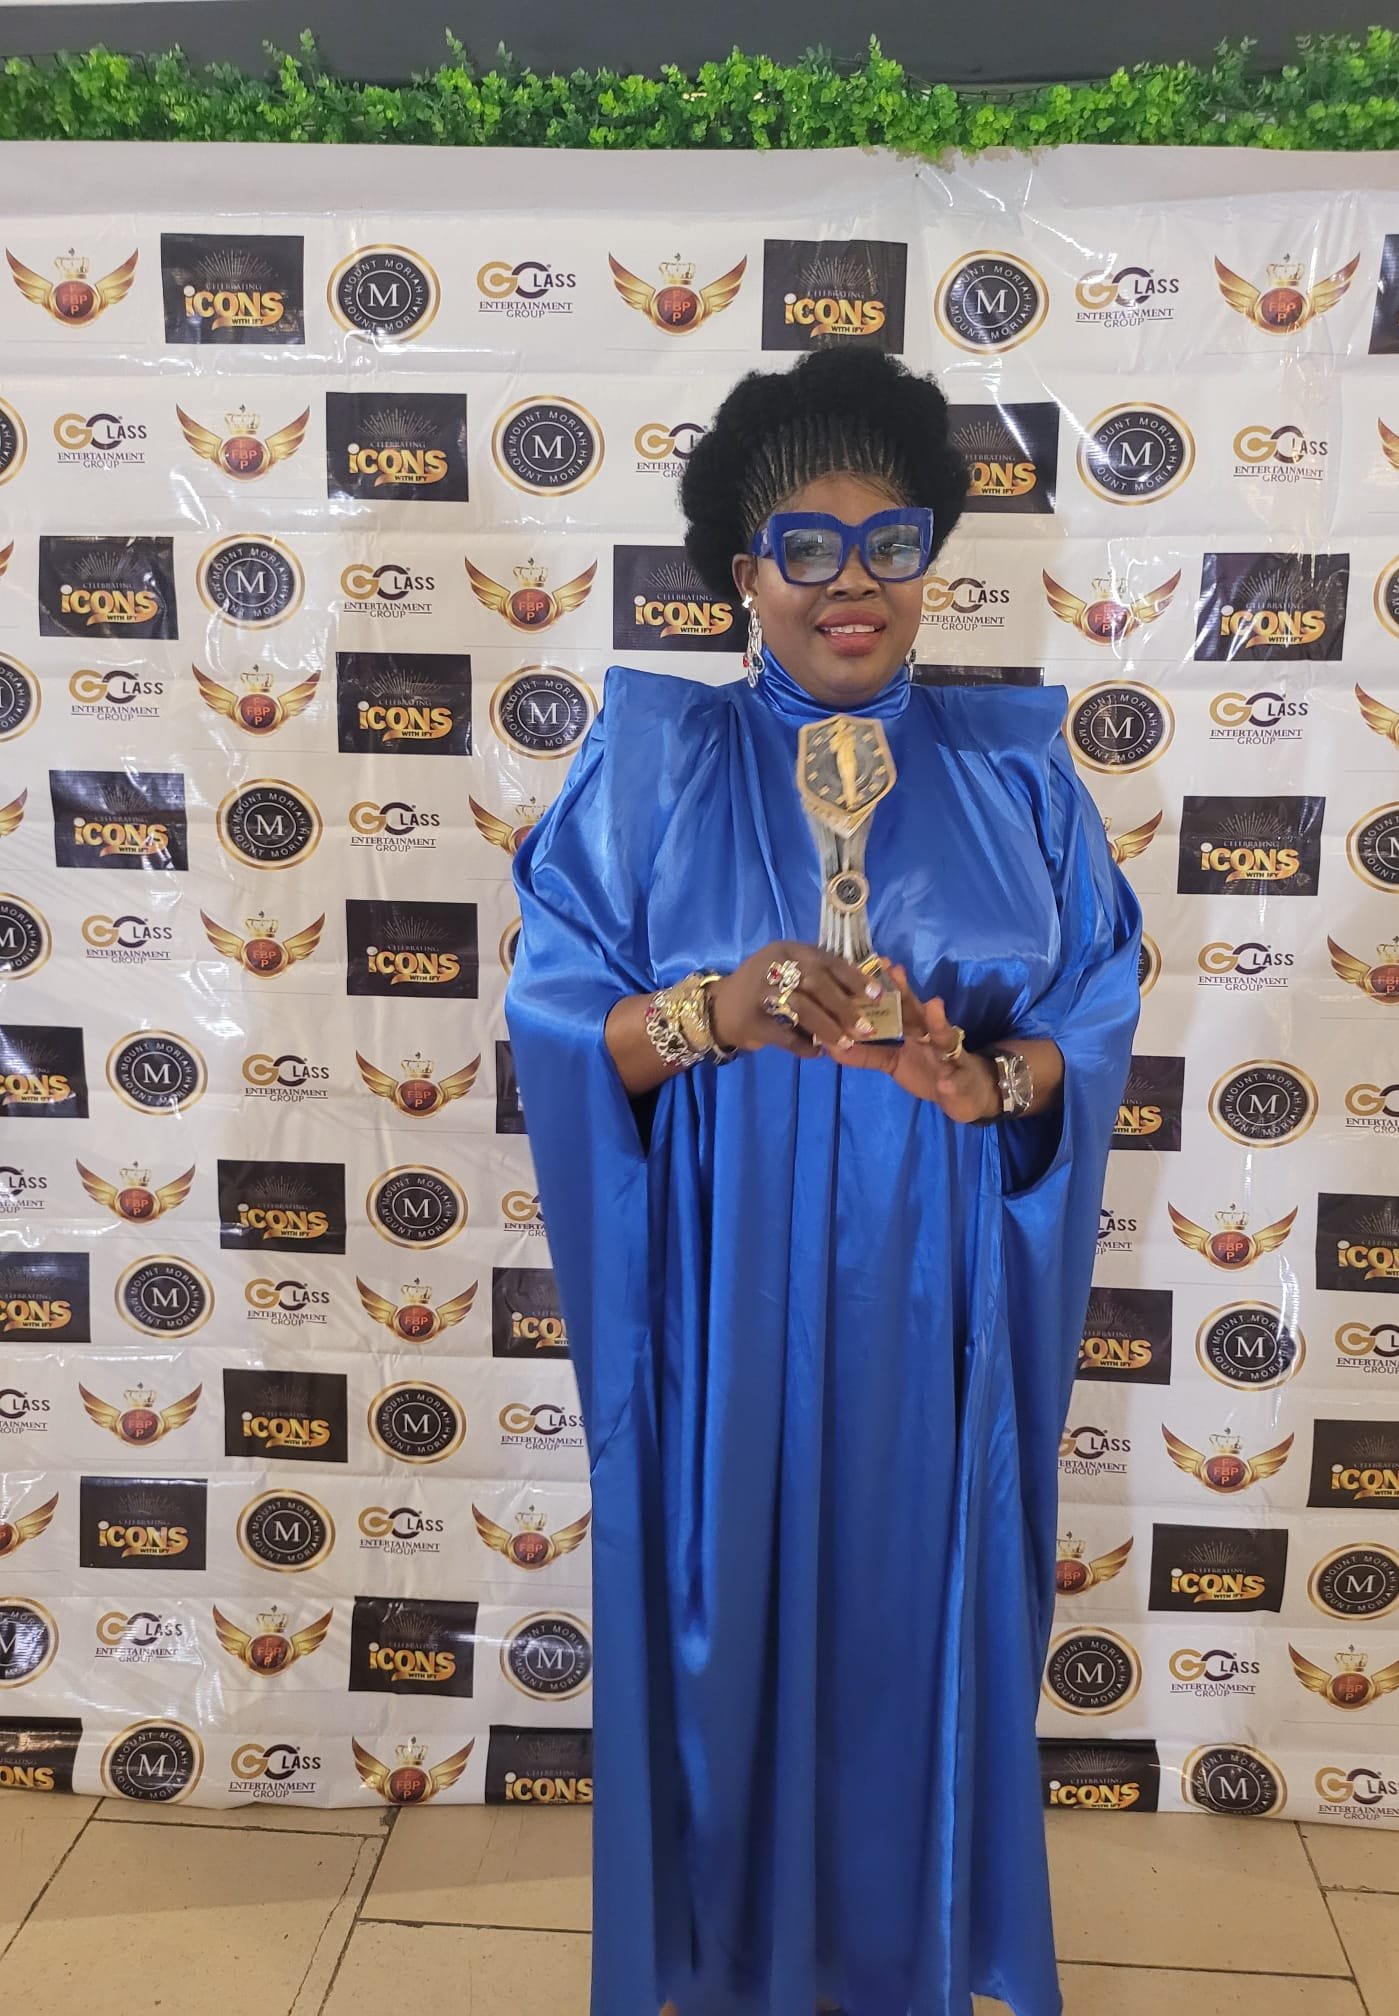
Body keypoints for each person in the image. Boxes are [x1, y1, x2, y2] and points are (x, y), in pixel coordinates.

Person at [507, 347, 1142, 2016]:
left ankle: (896, 1964)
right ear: (745, 571)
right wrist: (714, 1014)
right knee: (722, 1638)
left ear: (930, 562)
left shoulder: (1017, 774)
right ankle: (732, 1974)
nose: (850, 584)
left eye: (890, 543)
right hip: (723, 1305)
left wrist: (986, 1079)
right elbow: (564, 1025)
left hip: (934, 1310)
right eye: (807, 546)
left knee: (911, 1632)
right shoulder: (649, 768)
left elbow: (1086, 1017)